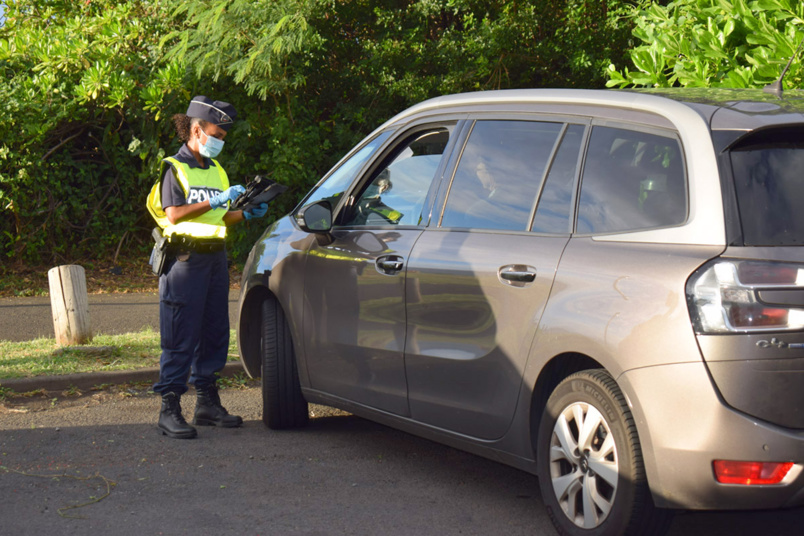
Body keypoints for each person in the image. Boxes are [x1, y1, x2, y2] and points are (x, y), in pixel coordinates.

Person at [145, 96, 268, 439]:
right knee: (181, 334)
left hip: (215, 258)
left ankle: (207, 404)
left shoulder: (215, 169)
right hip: (184, 261)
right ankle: (169, 409)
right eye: (218, 134)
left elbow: (217, 216)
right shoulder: (174, 167)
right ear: (197, 130)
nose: (221, 141)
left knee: (214, 332)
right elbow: (174, 214)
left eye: (224, 137)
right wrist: (214, 200)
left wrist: (244, 213)